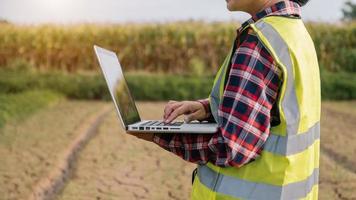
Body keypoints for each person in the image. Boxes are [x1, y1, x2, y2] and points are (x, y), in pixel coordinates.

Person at [128, 0, 320, 199]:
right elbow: (276, 110)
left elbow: (233, 147)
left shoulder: (261, 42)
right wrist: (210, 108)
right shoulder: (295, 34)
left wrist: (159, 134)